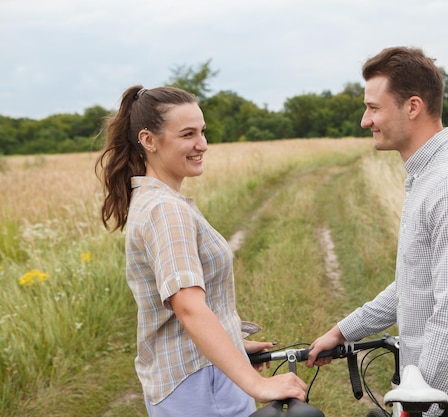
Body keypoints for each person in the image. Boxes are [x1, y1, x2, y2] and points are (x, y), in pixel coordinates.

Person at [306, 47, 448, 416]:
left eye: (374, 108)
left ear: (413, 106)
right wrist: (344, 331)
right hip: (436, 394)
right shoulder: (427, 178)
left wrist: (417, 408)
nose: (364, 120)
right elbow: (416, 281)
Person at [95, 85, 307, 417]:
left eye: (202, 131)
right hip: (200, 386)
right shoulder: (166, 211)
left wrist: (232, 345)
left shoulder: (159, 202)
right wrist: (257, 384)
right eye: (187, 134)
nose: (202, 144)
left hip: (196, 375)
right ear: (149, 140)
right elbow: (189, 309)